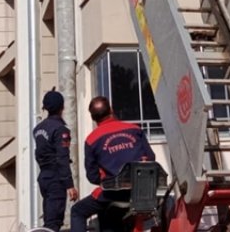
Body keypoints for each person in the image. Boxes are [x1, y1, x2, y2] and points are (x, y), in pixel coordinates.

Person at [69, 96, 155, 232]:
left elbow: (92, 176)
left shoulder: (92, 140)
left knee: (77, 211)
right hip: (142, 191)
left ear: (93, 118)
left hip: (112, 194)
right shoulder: (135, 129)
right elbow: (150, 158)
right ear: (111, 110)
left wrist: (106, 180)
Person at [34, 90, 77, 231]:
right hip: (55, 177)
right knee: (54, 222)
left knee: (49, 216)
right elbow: (62, 158)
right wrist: (69, 185)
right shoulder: (60, 130)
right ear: (62, 107)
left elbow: (38, 153)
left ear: (45, 108)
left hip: (43, 176)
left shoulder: (38, 129)